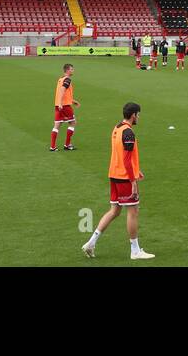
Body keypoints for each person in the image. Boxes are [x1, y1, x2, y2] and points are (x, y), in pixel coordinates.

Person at [81, 102, 154, 260]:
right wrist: (133, 180)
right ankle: (135, 251)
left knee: (114, 210)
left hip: (114, 174)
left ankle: (91, 243)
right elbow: (127, 160)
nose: (139, 117)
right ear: (133, 115)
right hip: (124, 178)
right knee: (133, 211)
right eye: (138, 114)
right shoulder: (128, 133)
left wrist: (136, 169)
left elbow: (122, 155)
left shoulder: (117, 128)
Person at [50, 63, 80, 151]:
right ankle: (67, 145)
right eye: (71, 69)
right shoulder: (67, 79)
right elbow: (62, 90)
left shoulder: (61, 79)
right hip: (65, 106)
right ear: (67, 70)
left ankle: (52, 146)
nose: (73, 70)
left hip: (58, 105)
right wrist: (60, 103)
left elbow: (63, 93)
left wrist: (73, 101)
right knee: (73, 123)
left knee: (57, 125)